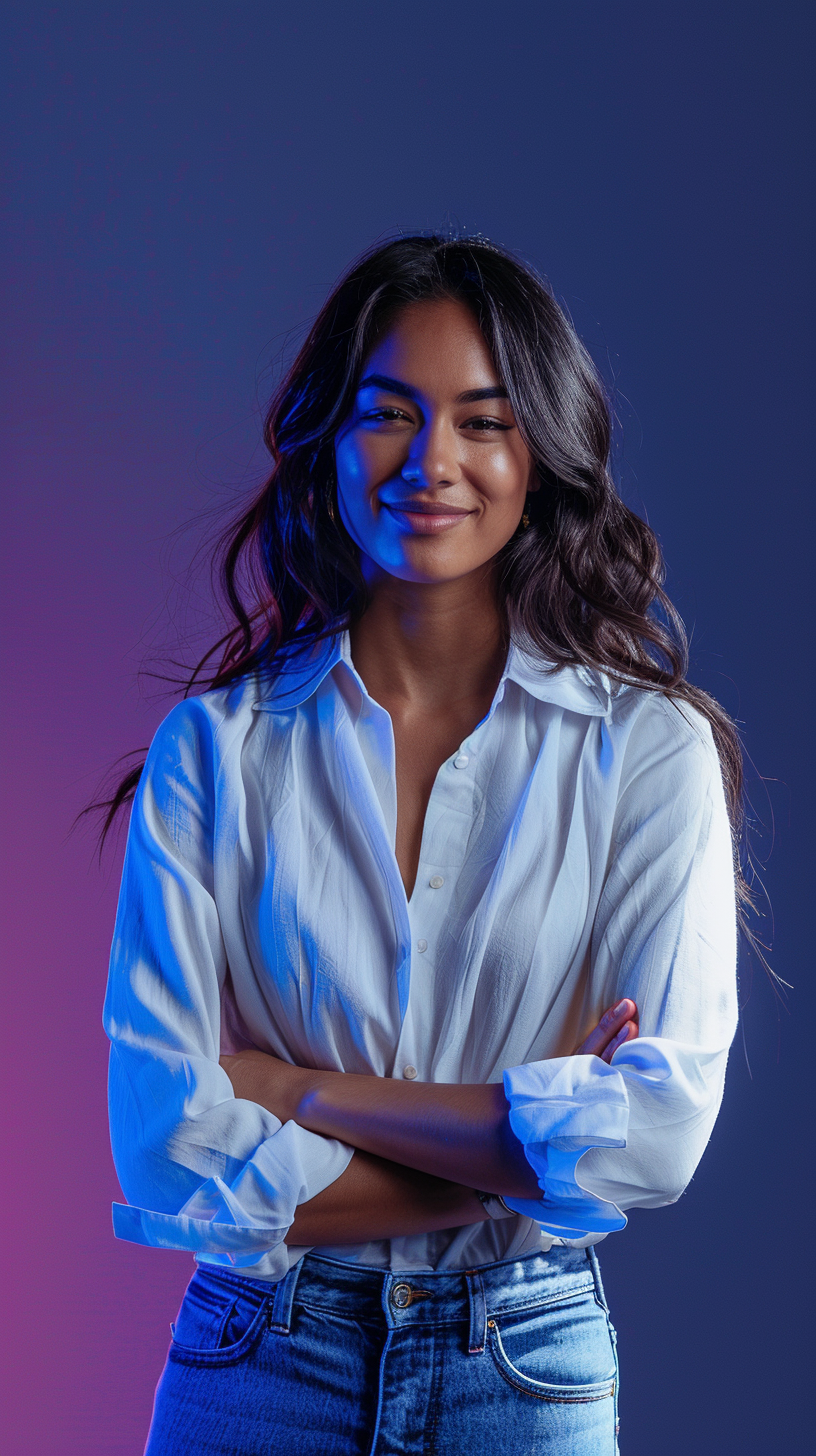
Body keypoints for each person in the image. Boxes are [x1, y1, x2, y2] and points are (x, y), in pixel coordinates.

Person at [101, 234, 741, 1454]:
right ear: (330, 438)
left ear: (538, 451)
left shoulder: (647, 751)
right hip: (255, 1361)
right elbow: (170, 1145)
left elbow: (654, 1140)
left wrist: (296, 1091)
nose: (431, 462)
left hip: (526, 1366)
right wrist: (531, 1149)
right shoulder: (218, 752)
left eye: (483, 421)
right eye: (388, 414)